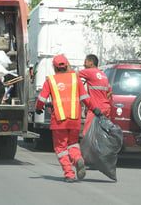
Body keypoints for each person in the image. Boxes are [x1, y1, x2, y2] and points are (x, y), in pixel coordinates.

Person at [35, 54, 101, 183]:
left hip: (59, 121)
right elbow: (85, 98)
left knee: (60, 149)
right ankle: (78, 160)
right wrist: (95, 109)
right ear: (66, 65)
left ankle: (69, 174)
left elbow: (41, 99)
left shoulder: (51, 80)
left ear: (54, 67)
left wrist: (38, 108)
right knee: (73, 144)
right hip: (74, 120)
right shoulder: (75, 78)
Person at [79, 54, 112, 136]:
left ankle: (89, 149)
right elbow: (110, 92)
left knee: (88, 135)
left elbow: (72, 75)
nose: (84, 64)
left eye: (85, 62)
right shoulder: (104, 76)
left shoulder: (89, 71)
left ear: (91, 63)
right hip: (106, 108)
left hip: (95, 108)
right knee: (100, 134)